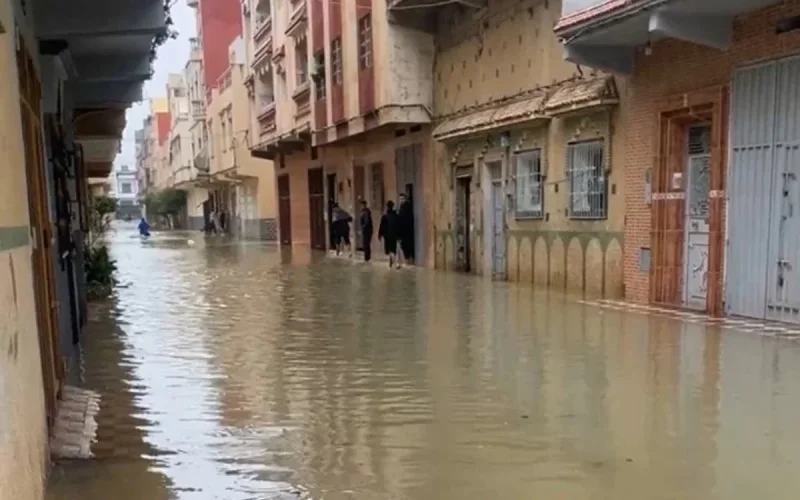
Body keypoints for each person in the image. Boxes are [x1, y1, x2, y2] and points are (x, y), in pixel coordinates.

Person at [378, 200, 400, 268]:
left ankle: (395, 264)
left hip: (387, 236)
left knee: (390, 250)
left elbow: (381, 227)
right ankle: (391, 263)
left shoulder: (385, 216)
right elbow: (398, 225)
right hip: (394, 235)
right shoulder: (396, 215)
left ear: (387, 207)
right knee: (393, 249)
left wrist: (379, 235)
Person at [398, 192, 415, 265]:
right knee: (405, 245)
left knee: (406, 245)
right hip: (404, 230)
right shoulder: (402, 206)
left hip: (406, 230)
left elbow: (403, 219)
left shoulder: (406, 206)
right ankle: (407, 260)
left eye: (402, 199)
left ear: (405, 199)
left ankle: (408, 261)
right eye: (400, 199)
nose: (401, 200)